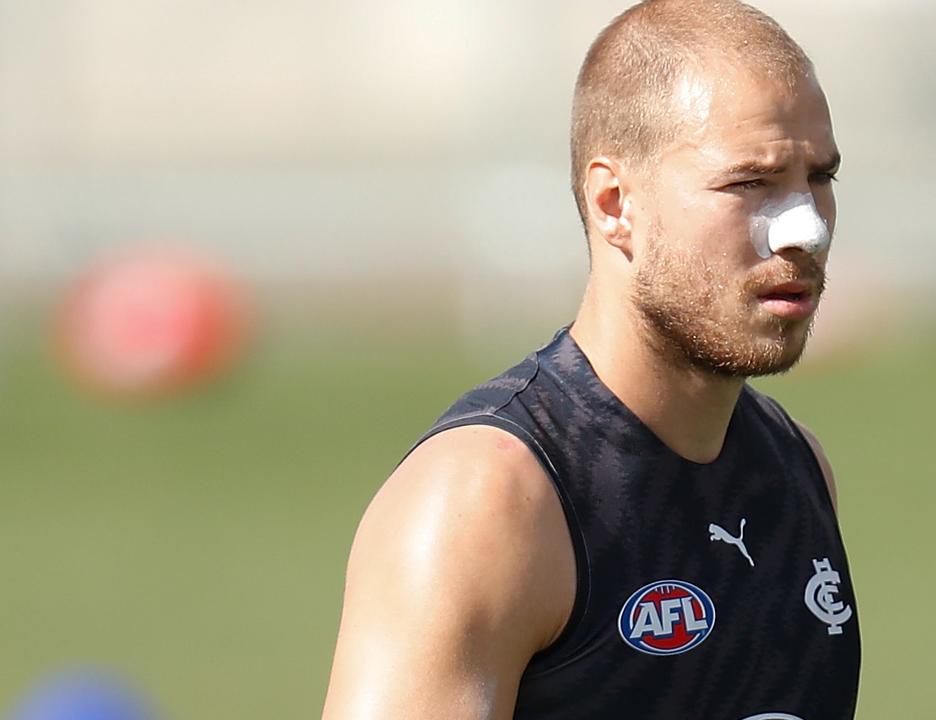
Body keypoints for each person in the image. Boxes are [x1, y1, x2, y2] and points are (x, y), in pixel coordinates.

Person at [322, 1, 859, 717]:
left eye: (817, 177)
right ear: (613, 204)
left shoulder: (795, 472)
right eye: (749, 184)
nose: (805, 229)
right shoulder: (486, 503)